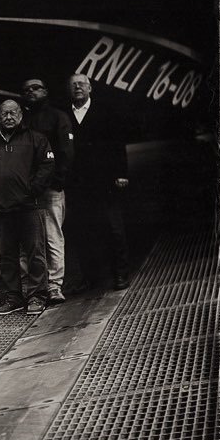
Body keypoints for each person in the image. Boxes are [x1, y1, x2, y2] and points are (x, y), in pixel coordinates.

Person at [0, 100, 55, 315]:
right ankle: (14, 298)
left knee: (35, 254)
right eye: (4, 114)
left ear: (20, 115)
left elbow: (47, 166)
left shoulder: (35, 139)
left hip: (29, 208)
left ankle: (37, 297)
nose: (9, 117)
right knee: (7, 257)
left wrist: (32, 190)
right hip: (1, 211)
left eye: (13, 113)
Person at [65, 74, 130, 290]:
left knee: (114, 229)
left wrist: (122, 173)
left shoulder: (106, 112)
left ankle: (120, 274)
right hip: (78, 185)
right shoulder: (65, 116)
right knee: (83, 231)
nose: (78, 87)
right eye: (74, 85)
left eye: (81, 84)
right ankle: (90, 277)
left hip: (105, 182)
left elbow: (117, 144)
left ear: (90, 88)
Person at [21, 78, 74, 303]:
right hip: (27, 191)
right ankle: (33, 287)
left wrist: (58, 181)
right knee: (29, 240)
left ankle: (54, 286)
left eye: (36, 88)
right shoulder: (22, 119)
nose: (31, 92)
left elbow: (66, 151)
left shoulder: (58, 116)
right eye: (27, 89)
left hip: (50, 189)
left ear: (46, 91)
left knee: (52, 237)